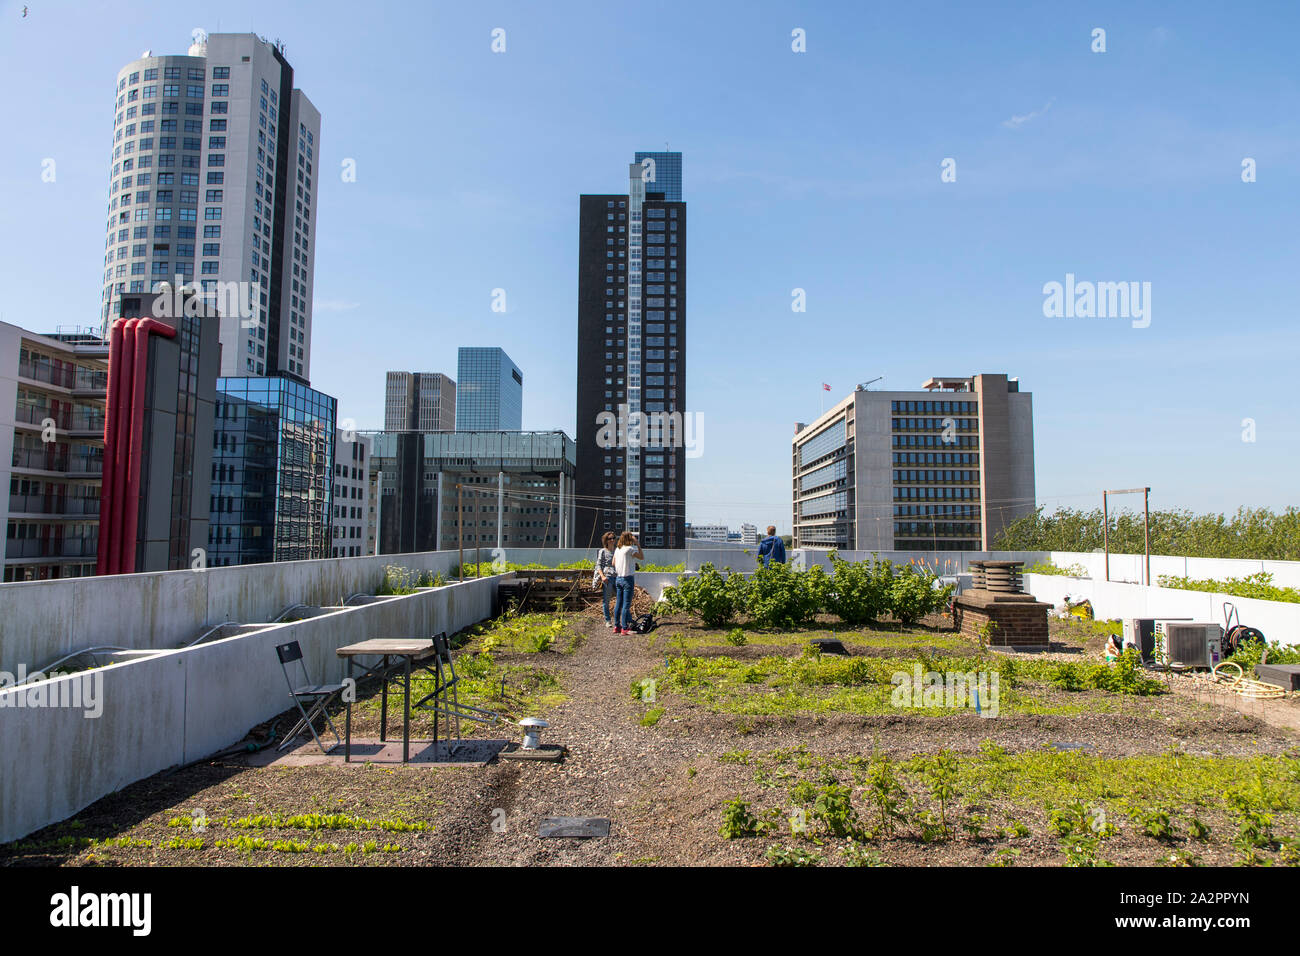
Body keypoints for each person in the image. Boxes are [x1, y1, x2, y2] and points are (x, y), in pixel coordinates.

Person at [611, 531, 644, 634]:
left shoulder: (618, 549)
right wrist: (638, 544)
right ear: (630, 539)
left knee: (618, 604)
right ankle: (625, 628)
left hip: (618, 579)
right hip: (627, 579)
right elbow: (641, 557)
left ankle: (617, 626)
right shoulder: (630, 549)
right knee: (626, 605)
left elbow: (613, 563)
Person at [592, 532, 618, 628]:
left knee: (620, 599)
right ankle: (608, 620)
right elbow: (598, 565)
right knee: (606, 600)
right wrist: (602, 576)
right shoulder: (603, 551)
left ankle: (618, 620)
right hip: (608, 577)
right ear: (606, 540)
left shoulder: (617, 551)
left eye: (613, 538)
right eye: (610, 538)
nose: (612, 540)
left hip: (617, 576)